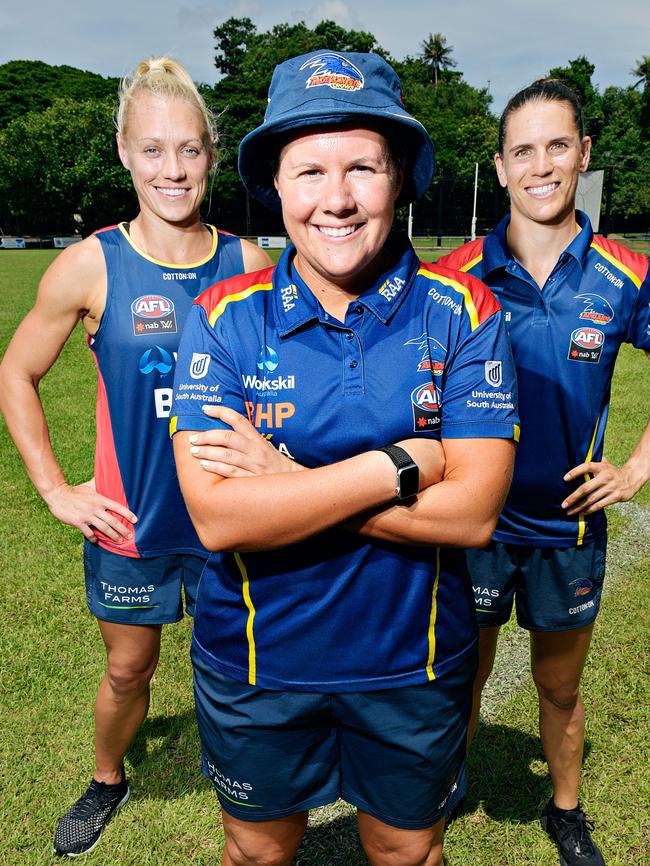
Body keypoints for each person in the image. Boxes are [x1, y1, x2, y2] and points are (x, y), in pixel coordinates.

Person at [170, 50, 519, 866]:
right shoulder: (223, 317)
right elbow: (219, 516)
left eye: (362, 166)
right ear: (276, 187)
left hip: (413, 662)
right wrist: (395, 465)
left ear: (398, 178)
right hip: (255, 662)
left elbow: (472, 514)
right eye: (309, 171)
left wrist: (286, 484)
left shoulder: (463, 312)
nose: (336, 199)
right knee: (257, 853)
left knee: (406, 852)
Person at [0, 56, 272, 858]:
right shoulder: (92, 264)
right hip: (131, 522)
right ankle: (107, 778)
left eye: (189, 149)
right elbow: (17, 372)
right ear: (123, 151)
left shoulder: (249, 264)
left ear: (212, 156)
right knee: (129, 671)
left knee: (245, 672)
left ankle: (256, 781)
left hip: (230, 518)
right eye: (153, 150)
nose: (173, 169)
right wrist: (53, 488)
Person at [438, 79, 650, 866]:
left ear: (584, 154)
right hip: (474, 523)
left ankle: (566, 811)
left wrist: (634, 469)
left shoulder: (624, 274)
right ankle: (447, 783)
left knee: (559, 689)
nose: (541, 166)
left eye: (557, 146)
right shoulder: (457, 273)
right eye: (522, 150)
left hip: (568, 528)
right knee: (465, 669)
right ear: (499, 166)